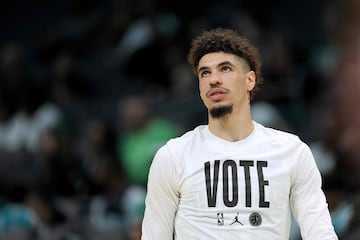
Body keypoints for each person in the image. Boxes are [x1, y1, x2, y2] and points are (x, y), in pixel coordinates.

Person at [141, 28, 338, 239]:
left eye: (225, 69)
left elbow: (319, 231)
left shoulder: (292, 151)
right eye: (205, 73)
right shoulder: (173, 155)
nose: (213, 79)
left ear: (250, 80)